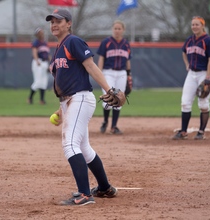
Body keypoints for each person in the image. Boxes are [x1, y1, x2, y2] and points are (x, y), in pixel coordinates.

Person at [45, 8, 118, 206]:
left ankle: (85, 195)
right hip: (70, 101)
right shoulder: (59, 49)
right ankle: (104, 188)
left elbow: (90, 66)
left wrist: (109, 89)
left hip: (80, 98)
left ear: (68, 23)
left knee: (70, 145)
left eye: (58, 21)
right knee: (84, 148)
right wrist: (62, 110)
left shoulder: (73, 41)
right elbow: (64, 81)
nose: (54, 24)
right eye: (51, 21)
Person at [172, 16, 210, 140]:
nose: (194, 27)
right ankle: (183, 131)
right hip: (192, 73)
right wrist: (187, 64)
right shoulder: (189, 40)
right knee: (185, 102)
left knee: (203, 103)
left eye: (197, 24)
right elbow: (184, 52)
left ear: (202, 26)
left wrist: (208, 77)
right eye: (193, 25)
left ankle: (201, 132)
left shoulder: (208, 41)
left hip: (204, 73)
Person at [97, 20, 132, 135]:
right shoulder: (106, 42)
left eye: (119, 28)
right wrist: (99, 73)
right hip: (108, 73)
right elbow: (101, 58)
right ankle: (106, 121)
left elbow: (127, 61)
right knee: (109, 97)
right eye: (115, 28)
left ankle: (114, 126)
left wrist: (129, 74)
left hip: (122, 73)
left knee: (119, 98)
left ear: (123, 30)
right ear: (112, 29)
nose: (117, 30)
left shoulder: (126, 44)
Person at [28, 28, 50, 105]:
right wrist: (37, 60)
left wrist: (49, 62)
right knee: (38, 81)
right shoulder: (36, 42)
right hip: (38, 62)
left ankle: (42, 100)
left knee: (44, 82)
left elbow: (47, 54)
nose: (41, 33)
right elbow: (34, 52)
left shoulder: (45, 43)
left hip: (45, 62)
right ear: (37, 34)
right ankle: (30, 98)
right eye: (40, 32)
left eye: (42, 32)